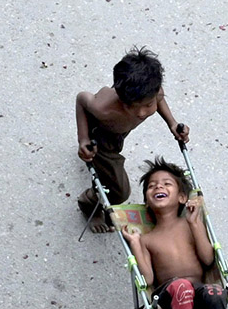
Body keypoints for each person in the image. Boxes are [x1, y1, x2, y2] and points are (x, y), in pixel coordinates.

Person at [121, 157, 228, 309]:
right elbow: (149, 279)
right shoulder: (147, 238)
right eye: (152, 186)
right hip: (168, 295)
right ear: (146, 200)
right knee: (180, 286)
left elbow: (207, 259)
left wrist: (195, 224)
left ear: (182, 198)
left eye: (166, 184)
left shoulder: (189, 225)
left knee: (215, 290)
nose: (158, 187)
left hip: (199, 290)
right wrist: (134, 243)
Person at [75, 46, 190, 233]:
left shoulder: (153, 92)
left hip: (120, 131)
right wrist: (83, 139)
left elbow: (159, 99)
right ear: (120, 98)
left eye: (148, 105)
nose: (141, 113)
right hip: (103, 140)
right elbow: (81, 99)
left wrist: (172, 123)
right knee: (119, 192)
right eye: (132, 107)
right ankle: (88, 202)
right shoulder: (103, 108)